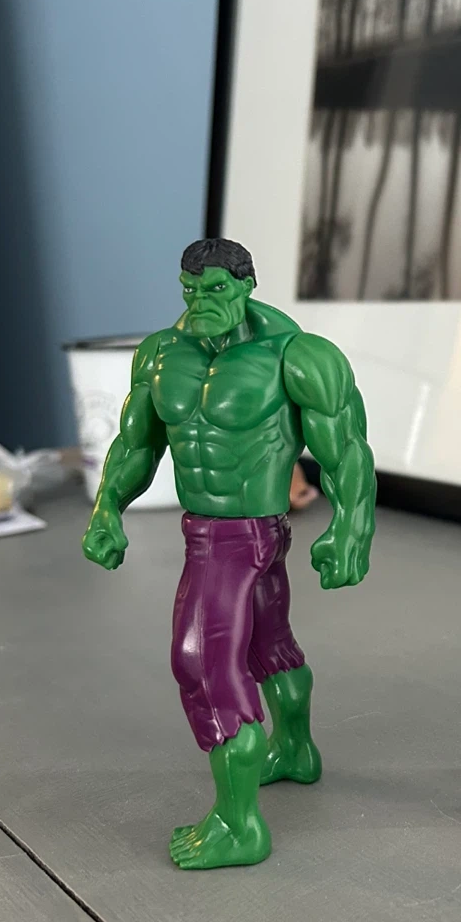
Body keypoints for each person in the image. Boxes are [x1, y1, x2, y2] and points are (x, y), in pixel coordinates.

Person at [82, 238, 375, 869]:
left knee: (202, 664)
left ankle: (238, 825)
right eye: (191, 290)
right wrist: (107, 505)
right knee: (270, 643)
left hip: (241, 536)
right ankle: (293, 751)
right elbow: (136, 445)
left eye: (216, 289)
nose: (201, 302)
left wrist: (352, 527)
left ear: (246, 285)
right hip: (210, 532)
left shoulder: (298, 355)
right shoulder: (161, 354)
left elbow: (346, 447)